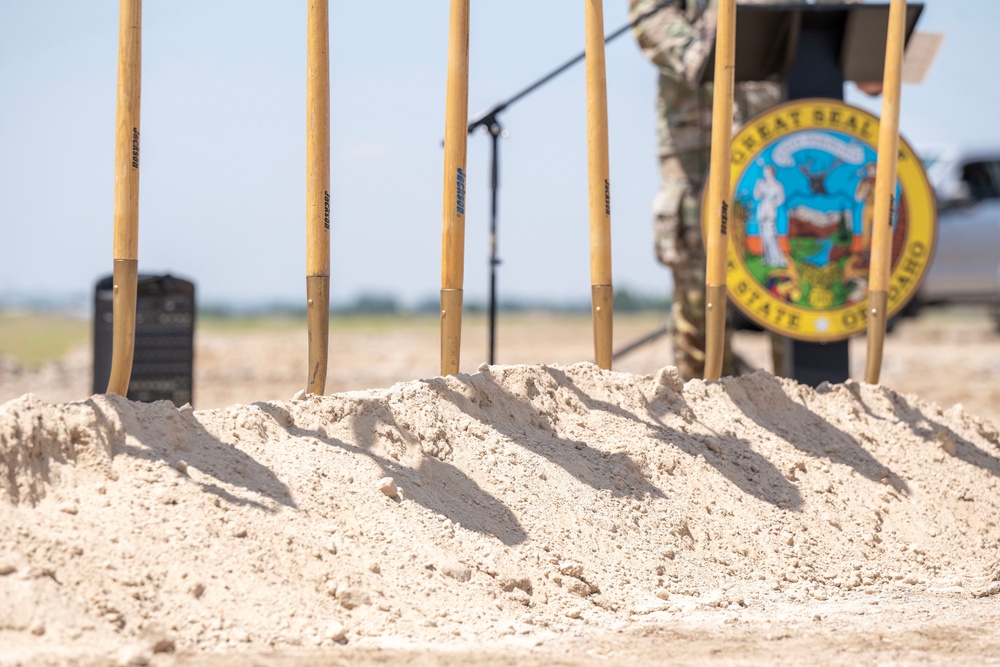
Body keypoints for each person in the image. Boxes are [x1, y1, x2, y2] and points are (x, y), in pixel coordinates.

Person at [628, 0, 870, 380]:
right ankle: (710, 406)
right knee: (700, 288)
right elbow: (652, 14)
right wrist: (699, 53)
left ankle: (805, 403)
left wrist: (864, 40)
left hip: (780, 135)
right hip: (699, 143)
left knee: (795, 288)